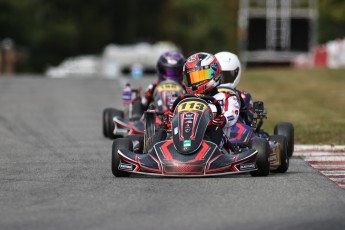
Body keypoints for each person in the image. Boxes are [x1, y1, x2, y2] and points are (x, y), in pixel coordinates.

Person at [182, 52, 240, 148]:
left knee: (214, 130)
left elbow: (233, 113)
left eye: (200, 76)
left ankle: (210, 153)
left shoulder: (226, 97)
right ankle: (155, 153)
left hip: (219, 140)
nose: (196, 81)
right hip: (188, 137)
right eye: (192, 78)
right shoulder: (185, 99)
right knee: (164, 131)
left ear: (214, 73)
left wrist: (224, 119)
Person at [215, 51, 254, 126]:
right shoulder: (207, 95)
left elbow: (249, 120)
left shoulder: (243, 96)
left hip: (236, 130)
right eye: (219, 76)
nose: (222, 80)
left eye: (227, 75)